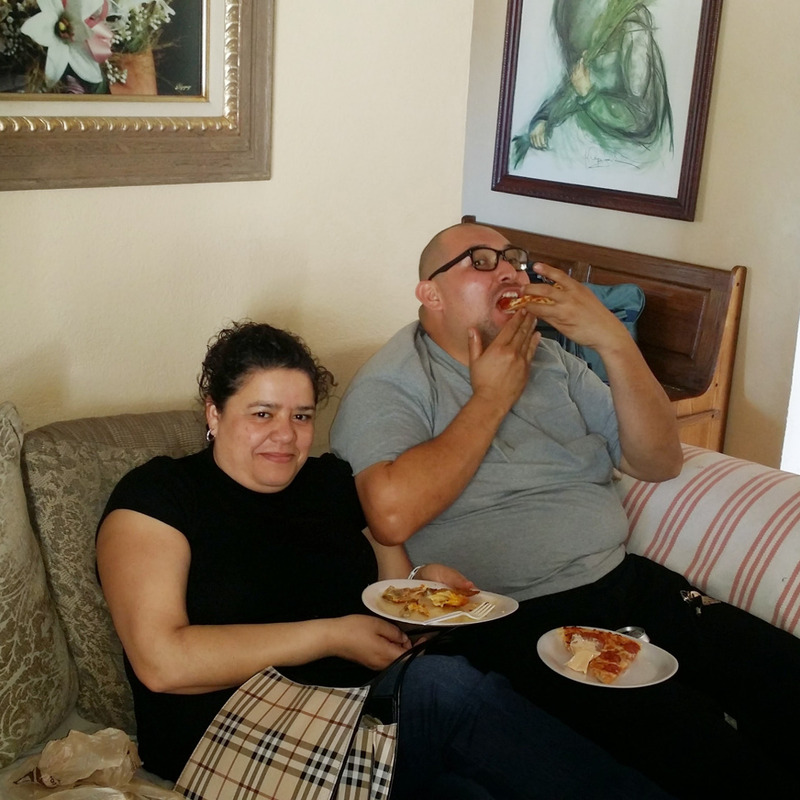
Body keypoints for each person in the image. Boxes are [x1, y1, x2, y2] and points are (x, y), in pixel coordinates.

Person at [96, 320, 671, 800]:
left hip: (364, 719)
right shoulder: (159, 496)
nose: (286, 436)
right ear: (214, 413)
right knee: (444, 687)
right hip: (232, 737)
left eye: (301, 416)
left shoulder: (330, 483)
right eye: (262, 414)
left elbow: (395, 591)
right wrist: (331, 635)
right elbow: (162, 662)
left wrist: (426, 588)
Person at [329, 222, 800, 797]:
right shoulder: (394, 382)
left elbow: (659, 460)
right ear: (430, 293)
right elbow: (390, 516)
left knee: (783, 676)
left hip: (624, 582)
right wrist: (491, 397)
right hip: (516, 617)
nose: (508, 271)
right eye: (481, 261)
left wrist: (613, 342)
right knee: (707, 755)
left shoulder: (552, 359)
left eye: (513, 258)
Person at [511, 0, 673, 169]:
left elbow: (642, 116)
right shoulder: (569, 7)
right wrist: (544, 116)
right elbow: (574, 80)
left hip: (621, 156)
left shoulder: (632, 22)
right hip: (577, 144)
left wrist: (589, 96)